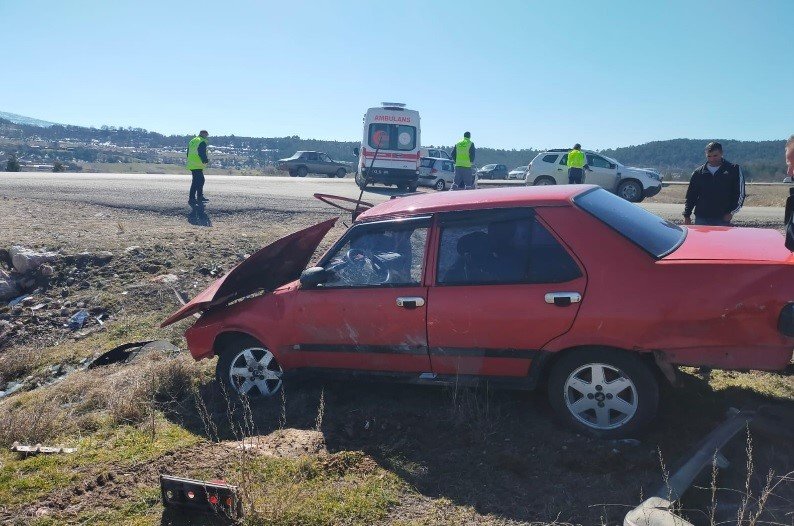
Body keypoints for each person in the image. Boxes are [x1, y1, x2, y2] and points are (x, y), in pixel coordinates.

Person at [683, 142, 745, 226]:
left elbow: (740, 194)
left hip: (723, 218)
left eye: (715, 156)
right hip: (701, 217)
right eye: (709, 156)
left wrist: (731, 212)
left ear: (721, 153)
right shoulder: (698, 173)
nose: (712, 159)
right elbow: (691, 195)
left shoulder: (734, 169)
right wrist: (687, 215)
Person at [186, 130, 209, 205]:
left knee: (199, 180)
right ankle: (192, 198)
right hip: (197, 164)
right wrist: (205, 160)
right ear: (204, 134)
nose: (207, 136)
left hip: (192, 164)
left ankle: (199, 196)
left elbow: (188, 152)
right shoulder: (201, 141)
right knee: (197, 181)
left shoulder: (192, 141)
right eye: (207, 135)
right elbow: (201, 152)